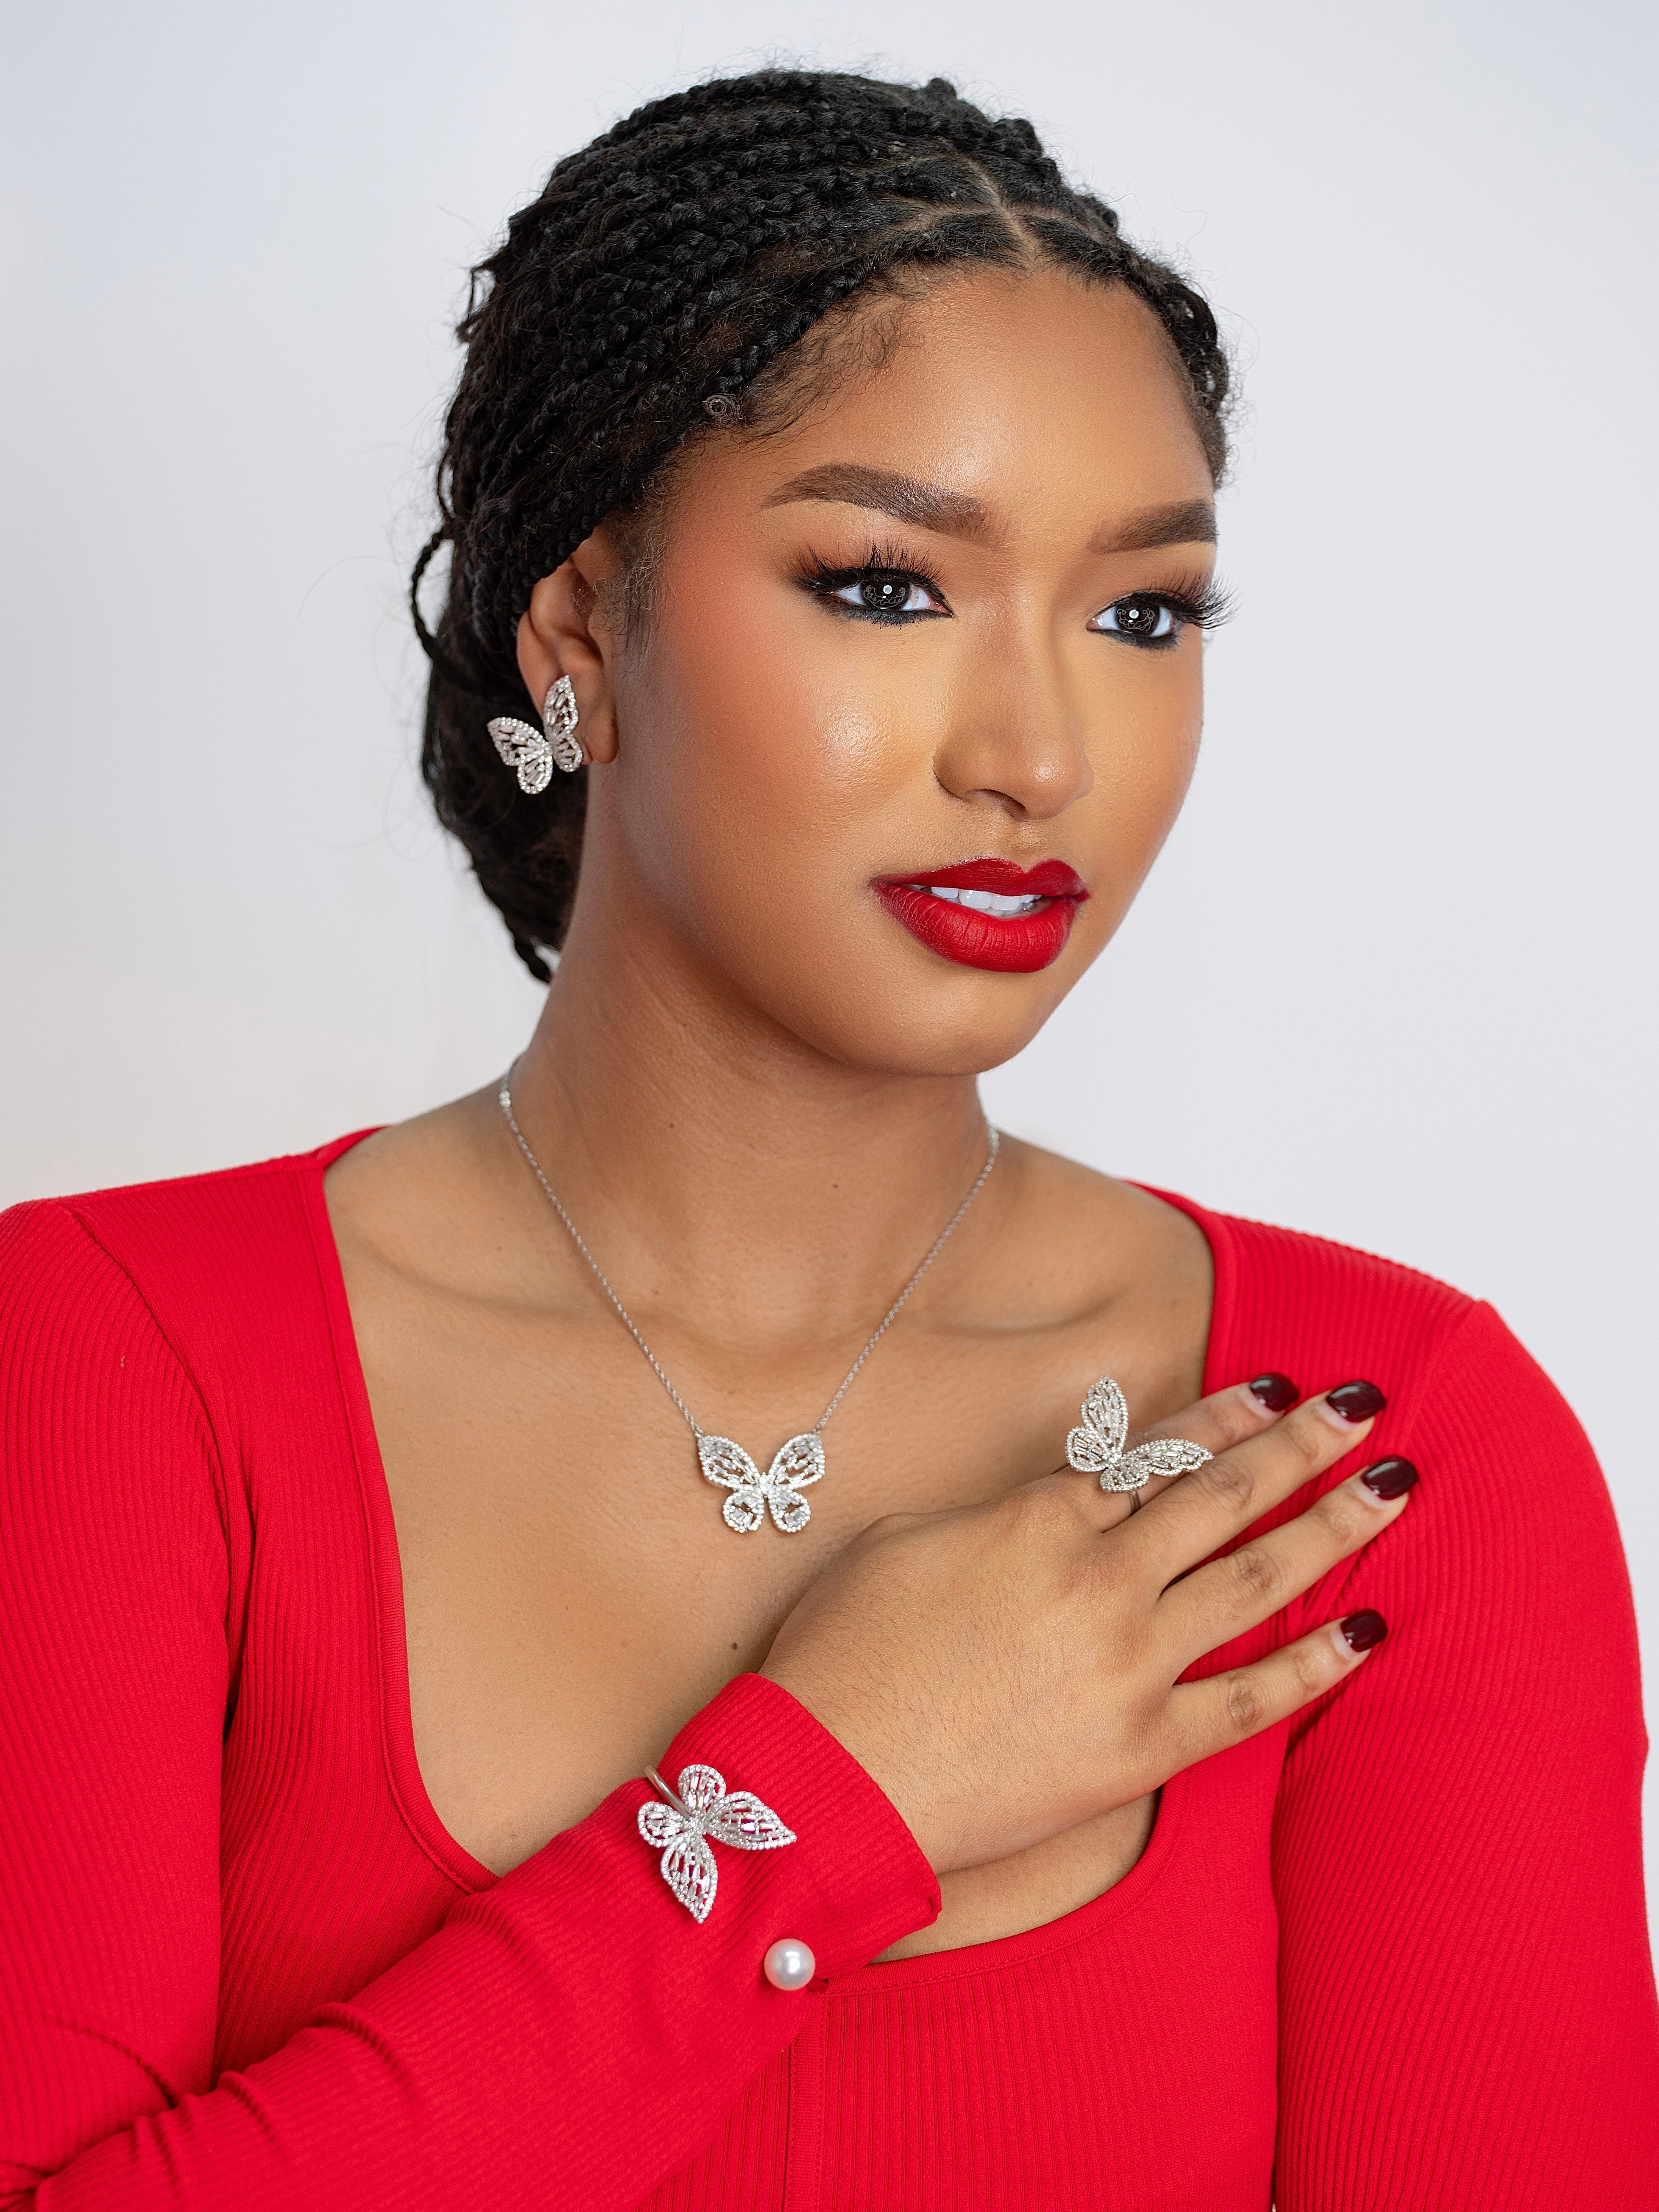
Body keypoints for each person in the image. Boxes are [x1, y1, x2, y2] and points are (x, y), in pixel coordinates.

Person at [0, 66, 1653, 2212]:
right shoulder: (101, 1362)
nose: (1037, 753)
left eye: (1141, 614)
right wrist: (829, 1793)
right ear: (582, 638)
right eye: (885, 585)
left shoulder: (1373, 1451)